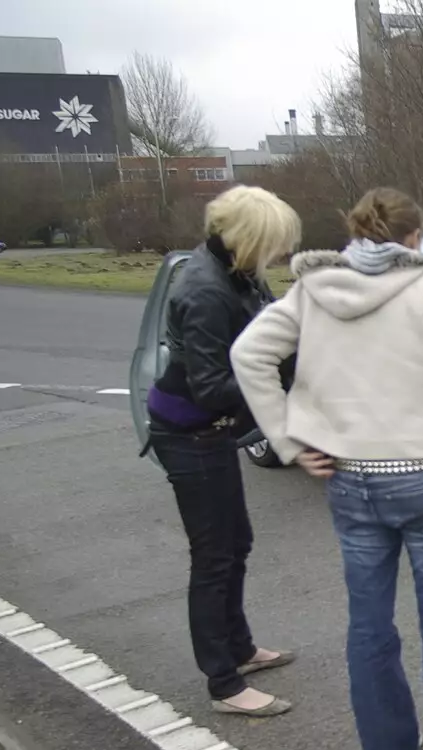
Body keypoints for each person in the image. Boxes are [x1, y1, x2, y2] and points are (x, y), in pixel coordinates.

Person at [231, 187, 423, 750]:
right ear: (413, 238)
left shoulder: (312, 289)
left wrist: (290, 440)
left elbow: (248, 354)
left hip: (351, 481)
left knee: (369, 625)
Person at [145, 185, 301, 718]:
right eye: (275, 244)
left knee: (237, 542)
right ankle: (224, 683)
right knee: (213, 557)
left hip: (210, 430)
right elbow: (212, 386)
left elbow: (272, 326)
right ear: (249, 238)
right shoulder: (205, 292)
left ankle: (240, 648)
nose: (278, 255)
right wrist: (276, 380)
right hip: (189, 431)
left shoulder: (239, 271)